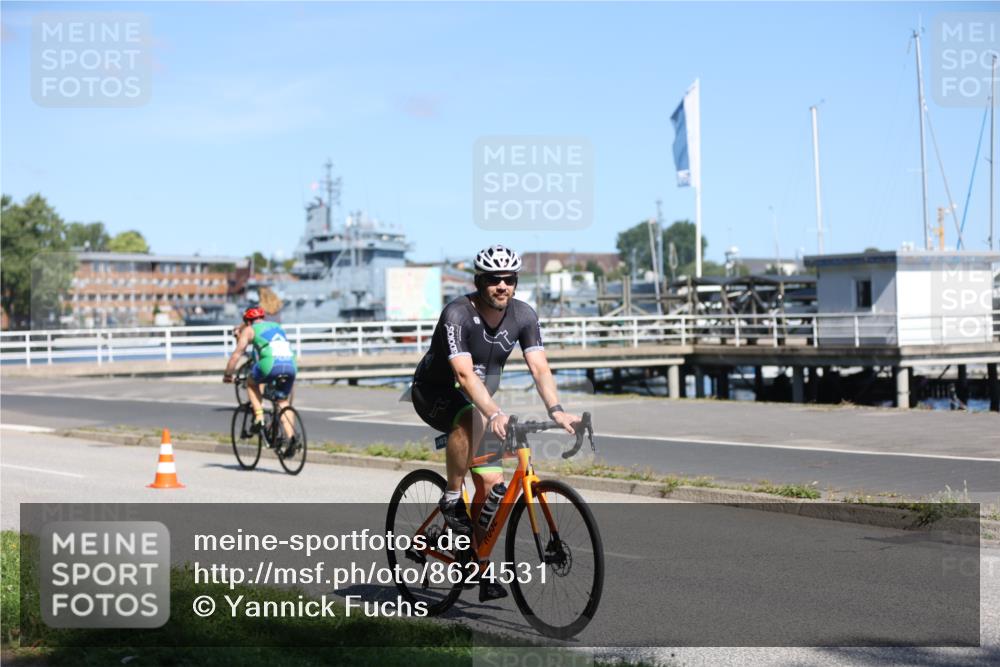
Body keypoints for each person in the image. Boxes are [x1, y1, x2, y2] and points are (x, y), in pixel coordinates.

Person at [410, 244, 580, 601]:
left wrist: (557, 409)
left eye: (509, 279)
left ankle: (473, 561)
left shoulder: (524, 315)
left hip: (478, 402)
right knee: (469, 418)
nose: (502, 285)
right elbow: (463, 373)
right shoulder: (457, 314)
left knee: (493, 487)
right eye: (493, 279)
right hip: (435, 393)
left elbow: (539, 367)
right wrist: (495, 413)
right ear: (479, 281)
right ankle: (451, 497)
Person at [223, 307, 298, 451]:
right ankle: (291, 439)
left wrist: (228, 374)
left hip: (271, 364)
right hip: (291, 364)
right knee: (282, 401)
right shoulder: (277, 326)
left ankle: (259, 418)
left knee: (251, 383)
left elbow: (236, 355)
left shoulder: (249, 330)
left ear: (247, 321)